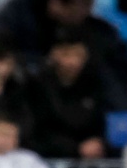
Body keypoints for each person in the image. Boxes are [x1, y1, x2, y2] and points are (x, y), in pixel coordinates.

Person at [27, 27, 109, 160]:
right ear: (54, 54)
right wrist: (76, 148)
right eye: (66, 54)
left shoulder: (95, 83)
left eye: (78, 55)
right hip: (48, 158)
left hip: (90, 160)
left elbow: (101, 122)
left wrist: (99, 142)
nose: (72, 62)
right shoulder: (37, 85)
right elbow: (38, 131)